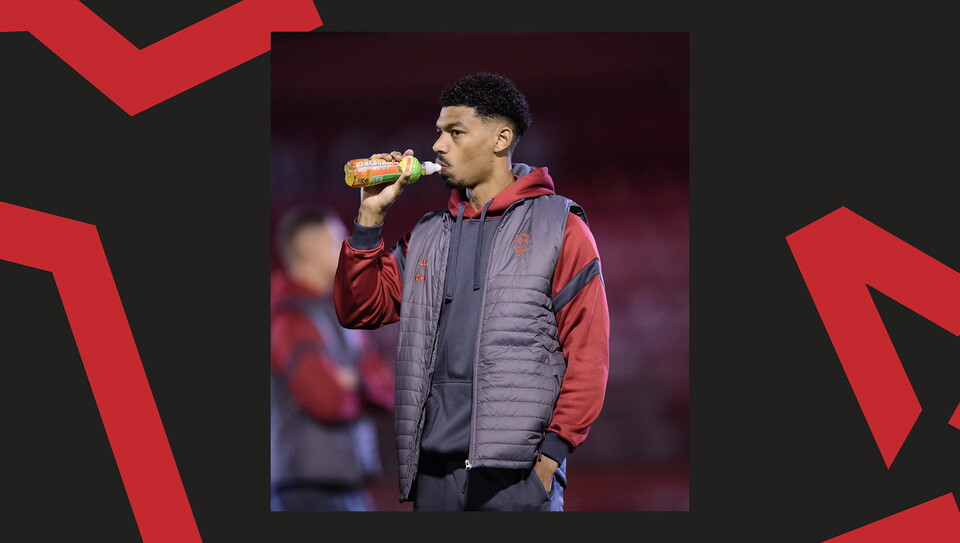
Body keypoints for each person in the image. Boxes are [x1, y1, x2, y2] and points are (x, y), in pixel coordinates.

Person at [334, 72, 609, 511]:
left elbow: (589, 354)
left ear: (501, 138)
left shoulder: (561, 226)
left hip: (517, 477)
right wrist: (370, 219)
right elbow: (360, 310)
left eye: (455, 132)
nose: (438, 145)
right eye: (439, 132)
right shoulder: (426, 234)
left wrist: (548, 464)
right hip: (433, 473)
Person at [270, 205, 395, 511]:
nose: (347, 246)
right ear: (311, 247)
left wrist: (355, 382)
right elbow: (327, 400)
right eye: (337, 237)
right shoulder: (289, 317)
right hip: (308, 491)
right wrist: (361, 385)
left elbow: (389, 390)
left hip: (347, 485)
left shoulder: (341, 309)